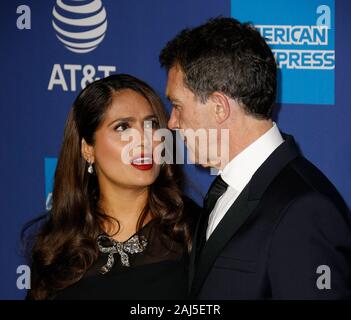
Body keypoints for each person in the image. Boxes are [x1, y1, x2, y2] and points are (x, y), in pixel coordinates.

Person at [159, 17, 351, 299]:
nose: (172, 122)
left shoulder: (306, 210)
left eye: (177, 106)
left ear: (219, 107)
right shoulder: (225, 187)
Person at [23, 74, 201, 300]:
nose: (144, 140)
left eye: (152, 124)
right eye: (123, 127)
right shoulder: (58, 246)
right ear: (88, 149)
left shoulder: (191, 231)